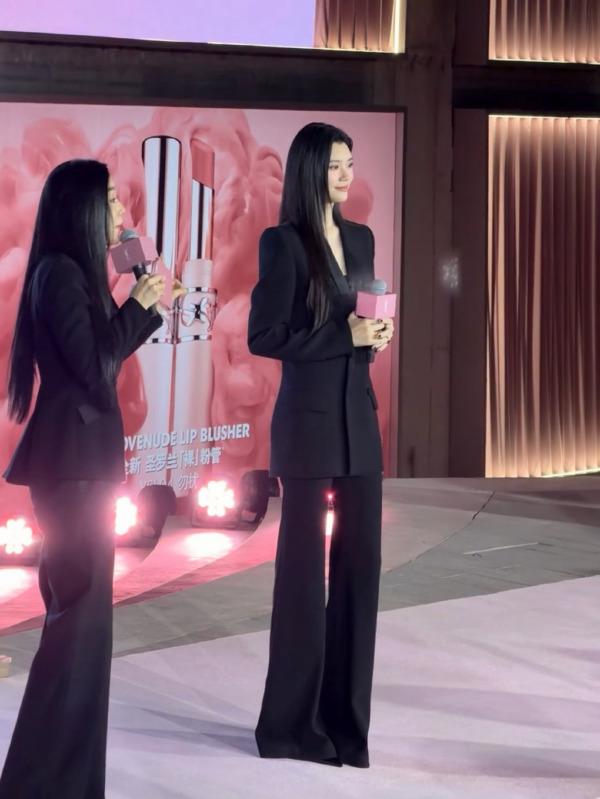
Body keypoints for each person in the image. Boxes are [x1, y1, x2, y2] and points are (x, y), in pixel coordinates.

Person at [0, 159, 166, 799]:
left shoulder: (73, 273)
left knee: (83, 625)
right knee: (77, 623)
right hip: (72, 468)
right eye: (113, 201)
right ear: (83, 209)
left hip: (81, 465)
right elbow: (95, 368)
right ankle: (44, 780)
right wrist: (136, 304)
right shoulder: (59, 274)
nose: (123, 212)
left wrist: (140, 306)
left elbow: (99, 359)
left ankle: (62, 777)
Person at [248, 122, 394, 768]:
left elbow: (360, 319)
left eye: (351, 164)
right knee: (303, 583)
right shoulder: (282, 244)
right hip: (307, 429)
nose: (346, 176)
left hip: (358, 424)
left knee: (360, 576)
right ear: (311, 170)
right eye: (336, 166)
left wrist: (375, 335)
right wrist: (346, 337)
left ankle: (346, 726)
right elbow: (265, 336)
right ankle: (290, 728)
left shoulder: (361, 237)